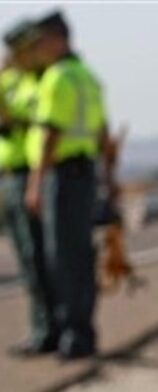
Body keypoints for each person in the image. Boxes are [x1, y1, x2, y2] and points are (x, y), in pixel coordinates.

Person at [25, 10, 112, 360]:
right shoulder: (87, 77)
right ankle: (82, 331)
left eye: (41, 42)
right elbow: (104, 132)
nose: (38, 50)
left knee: (62, 257)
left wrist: (35, 183)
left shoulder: (58, 78)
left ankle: (73, 335)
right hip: (85, 173)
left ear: (58, 39)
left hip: (62, 175)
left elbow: (50, 133)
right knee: (79, 255)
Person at [0, 19, 58, 356]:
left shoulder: (38, 82)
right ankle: (42, 326)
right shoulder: (10, 80)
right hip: (9, 174)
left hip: (28, 173)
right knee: (26, 257)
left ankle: (48, 329)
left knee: (38, 257)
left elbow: (37, 122)